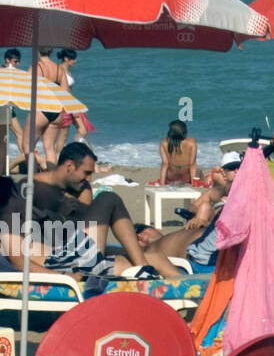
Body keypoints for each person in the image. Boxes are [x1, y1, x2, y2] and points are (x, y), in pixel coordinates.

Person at [0, 143, 181, 279]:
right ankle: (145, 268)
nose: (89, 178)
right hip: (63, 261)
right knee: (108, 199)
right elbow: (19, 262)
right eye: (86, 172)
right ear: (69, 166)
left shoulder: (32, 198)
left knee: (156, 257)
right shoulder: (16, 201)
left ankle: (193, 297)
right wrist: (65, 278)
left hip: (71, 254)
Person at [142, 152, 240, 271]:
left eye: (239, 167)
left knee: (206, 209)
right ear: (223, 171)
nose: (236, 170)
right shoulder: (220, 189)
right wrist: (198, 218)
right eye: (231, 168)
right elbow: (194, 206)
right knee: (205, 207)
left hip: (208, 237)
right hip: (206, 239)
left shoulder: (235, 192)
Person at [158, 120, 198, 186]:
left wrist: (162, 184)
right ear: (183, 131)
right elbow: (192, 165)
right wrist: (193, 184)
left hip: (171, 178)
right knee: (199, 172)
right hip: (186, 178)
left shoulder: (164, 143)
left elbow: (165, 165)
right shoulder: (191, 142)